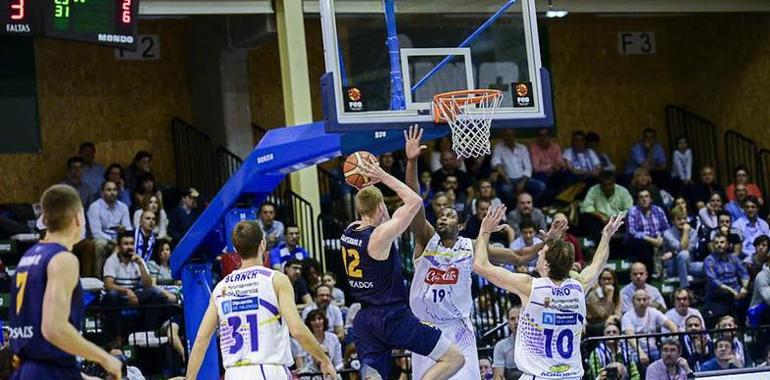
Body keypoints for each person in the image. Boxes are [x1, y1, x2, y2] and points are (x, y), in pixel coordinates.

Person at [403, 126, 554, 380]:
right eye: (440, 214)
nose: (443, 216)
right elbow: (413, 200)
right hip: (426, 328)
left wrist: (544, 243)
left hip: (458, 327)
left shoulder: (470, 246)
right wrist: (412, 161)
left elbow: (517, 257)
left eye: (449, 214)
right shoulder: (426, 238)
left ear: (460, 225)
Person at [340, 140, 465, 379]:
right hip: (391, 317)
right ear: (380, 208)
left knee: (373, 375)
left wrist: (365, 181)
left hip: (364, 319)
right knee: (454, 358)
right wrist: (382, 175)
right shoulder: (378, 236)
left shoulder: (348, 232)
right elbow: (415, 201)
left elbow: (368, 203)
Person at [473, 203, 625, 379]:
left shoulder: (530, 287)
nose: (538, 254)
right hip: (571, 375)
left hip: (539, 376)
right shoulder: (578, 286)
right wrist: (606, 236)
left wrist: (484, 230)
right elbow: (598, 264)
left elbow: (480, 265)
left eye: (542, 252)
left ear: (546, 264)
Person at [184, 220, 336, 379]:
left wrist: (189, 378)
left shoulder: (221, 287)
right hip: (268, 369)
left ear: (235, 250)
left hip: (233, 373)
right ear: (262, 244)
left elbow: (202, 339)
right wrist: (323, 359)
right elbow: (296, 328)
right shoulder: (275, 279)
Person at [10, 185, 122, 379]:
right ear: (78, 218)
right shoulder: (63, 259)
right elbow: (53, 329)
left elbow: (44, 344)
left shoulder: (27, 258)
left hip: (27, 370)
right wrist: (104, 358)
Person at [101, 231, 170, 341]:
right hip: (119, 297)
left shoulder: (138, 260)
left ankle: (148, 334)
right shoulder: (112, 260)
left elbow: (148, 285)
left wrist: (141, 265)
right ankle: (116, 337)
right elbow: (108, 284)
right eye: (126, 244)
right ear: (119, 247)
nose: (130, 247)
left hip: (135, 295)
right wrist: (127, 291)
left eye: (132, 244)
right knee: (112, 295)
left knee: (155, 293)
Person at [87, 180, 132, 277]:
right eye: (109, 190)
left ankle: (124, 278)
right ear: (102, 192)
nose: (112, 192)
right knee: (100, 244)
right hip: (102, 238)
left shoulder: (123, 207)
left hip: (119, 239)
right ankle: (98, 278)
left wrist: (123, 231)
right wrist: (114, 241)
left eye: (115, 190)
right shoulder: (94, 207)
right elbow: (96, 233)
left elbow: (128, 228)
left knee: (129, 243)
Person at [621, 289, 679, 364]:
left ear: (648, 301)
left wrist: (674, 341)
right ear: (633, 302)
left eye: (644, 299)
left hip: (653, 350)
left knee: (666, 357)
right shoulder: (627, 316)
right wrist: (641, 353)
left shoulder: (654, 312)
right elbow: (631, 338)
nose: (641, 302)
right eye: (638, 300)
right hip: (634, 352)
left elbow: (672, 326)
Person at [490, 129, 545, 204]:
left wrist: (523, 182)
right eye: (506, 135)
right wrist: (505, 177)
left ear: (514, 135)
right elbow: (496, 163)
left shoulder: (522, 148)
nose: (508, 137)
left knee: (541, 186)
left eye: (510, 135)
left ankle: (532, 205)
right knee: (506, 190)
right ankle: (516, 208)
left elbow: (528, 168)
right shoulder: (499, 147)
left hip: (523, 179)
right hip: (508, 179)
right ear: (503, 137)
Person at [703, 234, 750, 323]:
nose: (719, 245)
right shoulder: (709, 260)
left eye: (722, 242)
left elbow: (744, 274)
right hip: (719, 295)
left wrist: (744, 288)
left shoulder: (734, 258)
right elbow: (714, 281)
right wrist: (734, 292)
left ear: (728, 244)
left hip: (738, 292)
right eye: (716, 243)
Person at [579, 172, 634, 240]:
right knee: (586, 217)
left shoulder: (622, 191)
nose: (608, 187)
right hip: (600, 222)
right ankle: (597, 239)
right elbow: (585, 207)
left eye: (610, 184)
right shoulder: (593, 190)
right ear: (600, 184)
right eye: (605, 185)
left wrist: (617, 218)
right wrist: (600, 215)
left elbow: (630, 209)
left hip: (619, 222)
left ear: (614, 182)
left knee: (630, 219)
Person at [626, 189, 670, 273]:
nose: (644, 199)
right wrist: (651, 240)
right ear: (638, 200)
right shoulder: (633, 211)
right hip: (643, 241)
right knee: (643, 245)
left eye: (646, 196)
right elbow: (632, 231)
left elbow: (666, 228)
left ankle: (667, 273)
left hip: (659, 239)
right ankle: (648, 273)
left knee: (671, 241)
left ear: (651, 199)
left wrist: (660, 238)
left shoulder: (658, 210)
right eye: (641, 197)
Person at [662, 207, 701, 287]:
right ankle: (685, 288)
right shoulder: (667, 233)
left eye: (684, 218)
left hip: (689, 265)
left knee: (708, 266)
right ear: (673, 221)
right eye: (679, 219)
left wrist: (673, 253)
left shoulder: (693, 232)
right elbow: (683, 249)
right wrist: (686, 232)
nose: (683, 221)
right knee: (683, 254)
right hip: (673, 267)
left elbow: (689, 249)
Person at [529, 127, 565, 198]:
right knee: (542, 182)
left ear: (549, 136)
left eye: (545, 135)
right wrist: (551, 166)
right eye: (540, 136)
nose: (542, 138)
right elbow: (536, 168)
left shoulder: (555, 147)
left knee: (566, 175)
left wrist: (557, 167)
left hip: (555, 173)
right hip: (541, 175)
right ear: (537, 137)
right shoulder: (534, 147)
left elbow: (561, 163)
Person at [733, 196, 770, 263]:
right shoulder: (737, 225)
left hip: (763, 258)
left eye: (753, 207)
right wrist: (753, 256)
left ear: (757, 208)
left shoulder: (764, 224)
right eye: (747, 207)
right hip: (744, 260)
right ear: (744, 209)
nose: (750, 210)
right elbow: (738, 248)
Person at [586, 268, 622, 336]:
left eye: (609, 279)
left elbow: (618, 312)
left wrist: (614, 317)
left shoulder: (617, 293)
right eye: (604, 279)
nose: (607, 281)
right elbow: (603, 315)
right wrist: (609, 297)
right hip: (594, 327)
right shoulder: (592, 295)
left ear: (614, 280)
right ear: (599, 281)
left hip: (610, 323)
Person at [492, 306, 524, 380]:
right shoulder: (501, 346)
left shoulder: (536, 344)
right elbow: (498, 376)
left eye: (520, 318)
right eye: (512, 319)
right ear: (508, 323)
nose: (516, 322)